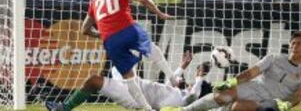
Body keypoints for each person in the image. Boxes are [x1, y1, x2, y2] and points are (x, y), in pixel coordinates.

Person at [46, 0, 178, 111]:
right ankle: (174, 80)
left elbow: (84, 29)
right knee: (152, 49)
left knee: (129, 77)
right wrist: (159, 13)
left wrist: (101, 34)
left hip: (111, 40)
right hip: (128, 28)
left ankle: (148, 109)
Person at [161, 31, 301, 111]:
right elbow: (252, 72)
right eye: (293, 43)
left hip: (274, 101)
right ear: (289, 45)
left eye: (299, 44)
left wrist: (287, 105)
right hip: (256, 87)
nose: (295, 46)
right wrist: (232, 81)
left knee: (238, 107)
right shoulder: (274, 58)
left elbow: (300, 95)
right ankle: (184, 110)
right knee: (222, 95)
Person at [45, 51, 213, 111]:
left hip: (133, 96)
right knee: (123, 58)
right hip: (134, 82)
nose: (191, 84)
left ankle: (64, 108)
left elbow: (193, 95)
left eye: (194, 85)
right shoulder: (178, 94)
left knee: (93, 80)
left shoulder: (186, 102)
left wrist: (200, 77)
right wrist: (182, 67)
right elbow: (169, 85)